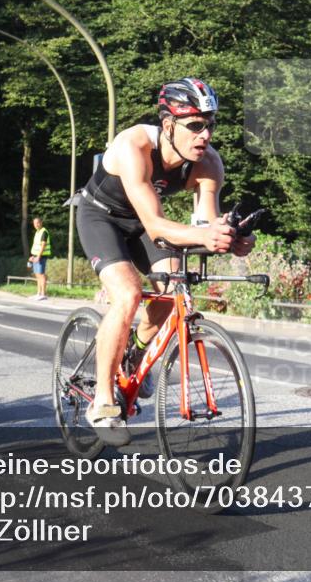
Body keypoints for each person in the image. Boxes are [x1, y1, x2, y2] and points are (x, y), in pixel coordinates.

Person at [74, 77, 255, 446]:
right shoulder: (133, 145)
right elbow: (157, 224)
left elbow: (203, 225)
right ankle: (103, 402)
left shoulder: (209, 164)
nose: (204, 135)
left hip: (142, 223)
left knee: (174, 287)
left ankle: (135, 353)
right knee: (127, 295)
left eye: (210, 125)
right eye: (195, 126)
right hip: (100, 217)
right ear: (169, 125)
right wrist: (204, 235)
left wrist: (229, 239)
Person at [28, 217, 52, 301]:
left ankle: (43, 294)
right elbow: (36, 246)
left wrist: (38, 256)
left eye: (37, 223)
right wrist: (33, 256)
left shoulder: (43, 232)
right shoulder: (37, 232)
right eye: (34, 223)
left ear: (41, 222)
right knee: (37, 275)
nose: (36, 225)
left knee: (41, 275)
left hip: (41, 256)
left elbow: (43, 245)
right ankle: (38, 293)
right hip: (36, 256)